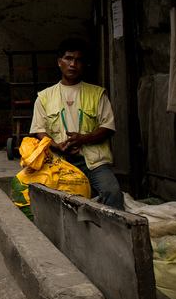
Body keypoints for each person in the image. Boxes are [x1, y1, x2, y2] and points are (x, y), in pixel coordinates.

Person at [30, 38, 124, 210]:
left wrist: (83, 139)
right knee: (50, 198)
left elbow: (108, 128)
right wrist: (57, 145)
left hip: (93, 161)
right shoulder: (44, 97)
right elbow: (39, 131)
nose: (73, 64)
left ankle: (112, 227)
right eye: (68, 58)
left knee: (112, 192)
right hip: (59, 161)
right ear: (59, 62)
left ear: (84, 64)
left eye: (78, 60)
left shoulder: (97, 94)